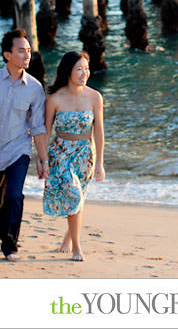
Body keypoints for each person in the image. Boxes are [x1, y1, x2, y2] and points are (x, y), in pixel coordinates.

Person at [0, 29, 48, 262]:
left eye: (29, 51)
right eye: (21, 51)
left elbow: (38, 128)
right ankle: (5, 235)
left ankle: (11, 245)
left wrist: (43, 159)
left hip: (19, 151)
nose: (27, 55)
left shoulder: (35, 88)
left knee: (14, 196)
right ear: (7, 54)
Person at [42, 51, 105, 261]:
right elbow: (44, 131)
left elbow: (99, 131)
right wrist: (41, 159)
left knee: (79, 199)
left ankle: (68, 239)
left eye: (86, 69)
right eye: (79, 69)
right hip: (60, 154)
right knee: (74, 195)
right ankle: (77, 247)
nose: (84, 73)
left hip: (86, 154)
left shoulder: (95, 97)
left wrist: (100, 164)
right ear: (68, 71)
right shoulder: (54, 99)